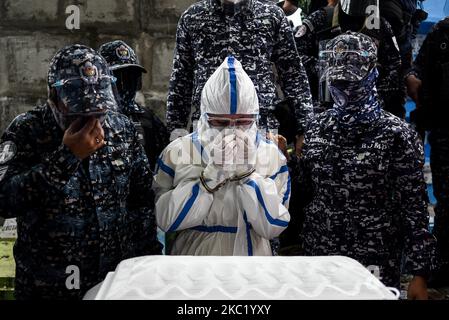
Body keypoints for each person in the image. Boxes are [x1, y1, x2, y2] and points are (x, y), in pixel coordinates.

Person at [0, 45, 162, 299]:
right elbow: (4, 201)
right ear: (54, 97)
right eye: (79, 111)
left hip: (111, 284)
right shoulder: (27, 130)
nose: (92, 121)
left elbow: (140, 201)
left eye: (98, 111)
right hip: (47, 286)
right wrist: (67, 157)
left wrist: (147, 263)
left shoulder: (123, 129)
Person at [300, 32, 435, 298]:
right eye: (338, 81)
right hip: (321, 256)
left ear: (373, 74)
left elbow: (414, 207)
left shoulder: (396, 134)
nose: (345, 89)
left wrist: (420, 274)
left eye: (353, 81)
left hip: (375, 260)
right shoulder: (317, 129)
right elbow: (305, 191)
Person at [154, 56, 290, 256]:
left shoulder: (271, 156)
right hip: (194, 259)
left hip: (253, 260)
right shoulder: (178, 152)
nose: (232, 132)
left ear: (255, 117)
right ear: (204, 115)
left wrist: (248, 175)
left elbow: (273, 227)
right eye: (221, 123)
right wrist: (211, 175)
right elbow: (165, 220)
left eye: (243, 122)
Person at [166, 0, 313, 157]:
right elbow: (181, 81)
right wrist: (175, 135)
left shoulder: (271, 16)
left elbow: (293, 73)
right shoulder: (192, 17)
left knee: (264, 179)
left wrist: (305, 129)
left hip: (260, 129)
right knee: (205, 180)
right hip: (208, 131)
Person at [295, 0, 405, 118]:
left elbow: (394, 66)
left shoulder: (378, 25)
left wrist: (378, 97)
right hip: (324, 106)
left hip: (367, 109)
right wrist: (324, 67)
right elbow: (294, 56)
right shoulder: (322, 18)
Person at [406, 14, 449, 287]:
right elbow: (417, 69)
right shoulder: (442, 31)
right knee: (445, 201)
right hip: (445, 132)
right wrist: (412, 78)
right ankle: (444, 264)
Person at [98, 40, 169, 170]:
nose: (125, 84)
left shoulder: (148, 119)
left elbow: (166, 163)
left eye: (130, 77)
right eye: (118, 78)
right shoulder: (92, 121)